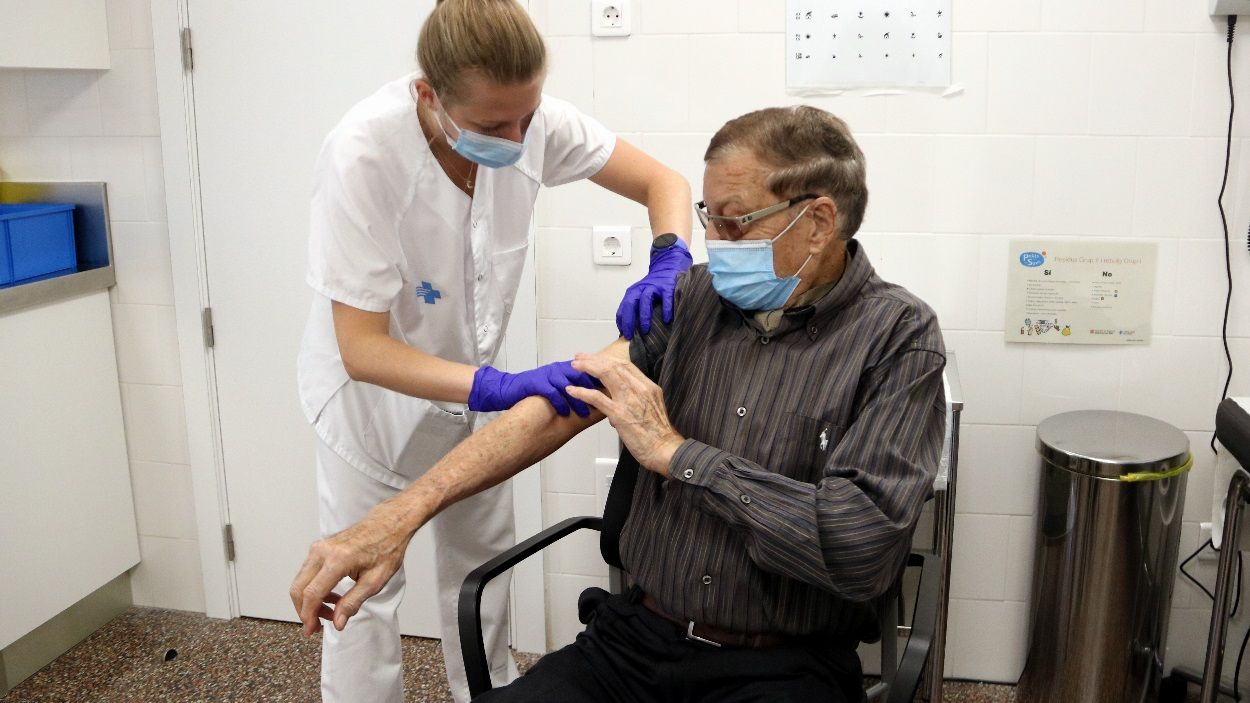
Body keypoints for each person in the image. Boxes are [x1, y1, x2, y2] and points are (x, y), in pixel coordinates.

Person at [292, 105, 945, 702]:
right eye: (708, 217)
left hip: (785, 665)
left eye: (735, 221)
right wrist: (400, 516)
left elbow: (858, 546)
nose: (714, 240)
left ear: (818, 222)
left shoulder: (897, 338)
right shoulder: (692, 300)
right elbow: (563, 406)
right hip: (635, 642)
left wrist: (682, 456)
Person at [294, 1, 693, 701]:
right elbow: (361, 349)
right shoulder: (364, 153)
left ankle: (490, 696)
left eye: (526, 118)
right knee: (364, 590)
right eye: (492, 126)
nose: (517, 138)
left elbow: (665, 183)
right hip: (371, 408)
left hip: (475, 403)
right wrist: (497, 386)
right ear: (428, 94)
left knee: (483, 569)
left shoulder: (534, 121)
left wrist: (669, 255)